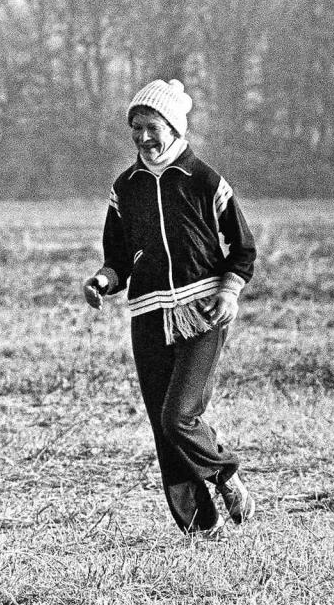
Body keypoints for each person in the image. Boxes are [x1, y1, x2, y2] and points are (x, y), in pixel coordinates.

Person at [82, 79, 257, 538]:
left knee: (178, 415)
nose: (143, 138)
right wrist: (103, 281)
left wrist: (229, 292)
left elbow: (242, 249)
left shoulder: (204, 181)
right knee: (164, 429)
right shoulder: (126, 188)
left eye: (152, 127)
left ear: (175, 128)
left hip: (203, 312)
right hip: (148, 316)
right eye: (135, 127)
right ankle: (201, 529)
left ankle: (224, 472)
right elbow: (118, 258)